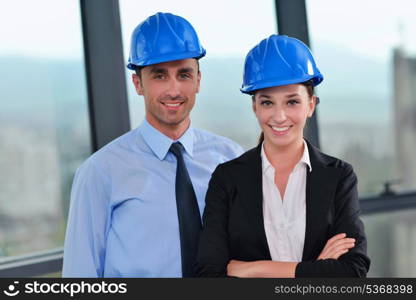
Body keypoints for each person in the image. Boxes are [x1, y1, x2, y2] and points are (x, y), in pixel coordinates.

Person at [62, 12, 243, 277]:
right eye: (159, 76)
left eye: (183, 75)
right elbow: (80, 276)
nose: (173, 90)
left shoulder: (230, 158)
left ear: (198, 81)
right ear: (138, 84)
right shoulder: (100, 172)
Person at [196, 35, 370, 277]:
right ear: (254, 107)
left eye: (292, 102)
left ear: (311, 104)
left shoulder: (338, 176)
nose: (279, 117)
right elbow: (209, 276)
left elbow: (352, 271)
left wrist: (253, 269)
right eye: (267, 103)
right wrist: (317, 268)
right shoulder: (227, 178)